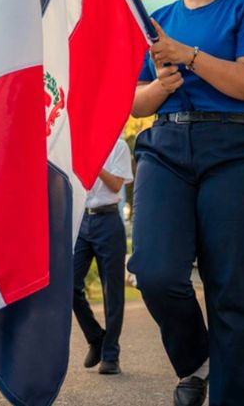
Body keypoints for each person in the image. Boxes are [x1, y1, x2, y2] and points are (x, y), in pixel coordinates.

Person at [128, 0, 244, 406]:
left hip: (234, 151)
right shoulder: (156, 20)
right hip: (165, 147)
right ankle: (197, 361)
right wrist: (159, 85)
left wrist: (187, 56)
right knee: (153, 271)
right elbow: (132, 103)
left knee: (231, 290)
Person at [73, 138, 134, 376]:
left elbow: (117, 185)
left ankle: (111, 355)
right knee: (70, 284)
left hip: (108, 221)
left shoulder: (117, 145)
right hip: (82, 221)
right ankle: (95, 337)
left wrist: (94, 164)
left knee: (113, 291)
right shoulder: (78, 143)